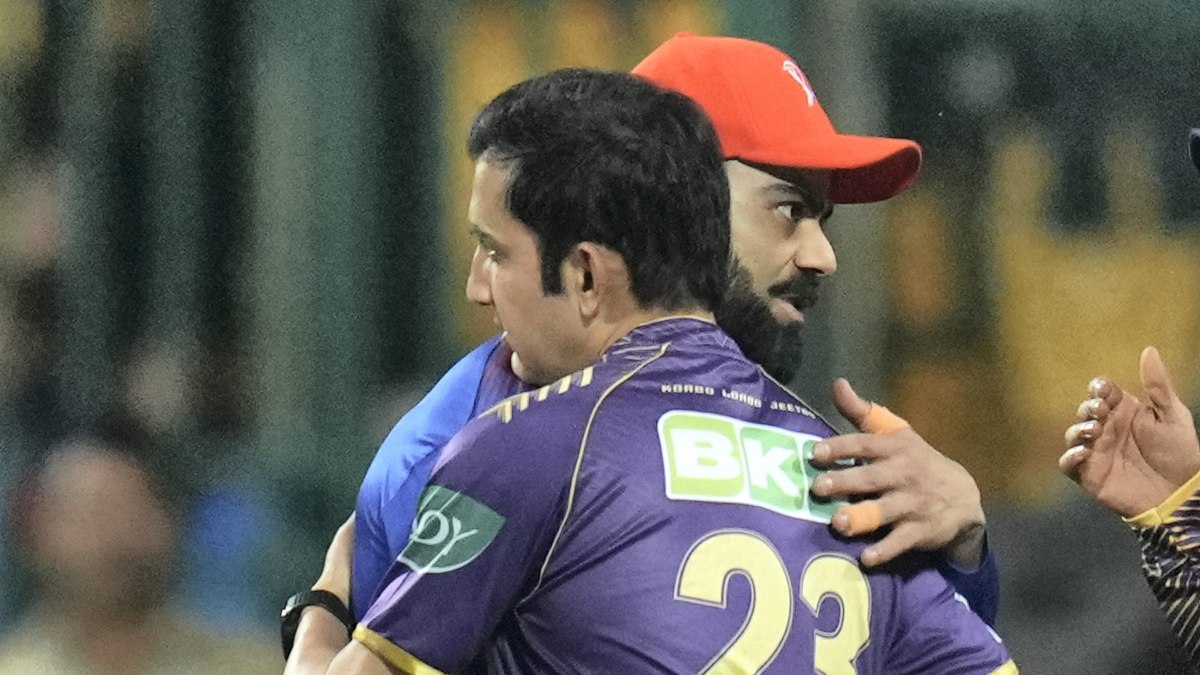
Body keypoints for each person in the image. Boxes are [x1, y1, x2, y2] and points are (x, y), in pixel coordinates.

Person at [283, 67, 1015, 674]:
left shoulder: (514, 445)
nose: (823, 255)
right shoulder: (825, 466)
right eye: (790, 208)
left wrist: (321, 606)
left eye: (497, 251)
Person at [0, 417, 277, 675]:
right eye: (91, 515)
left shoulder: (251, 665)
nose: (114, 536)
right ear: (37, 531)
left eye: (131, 511)